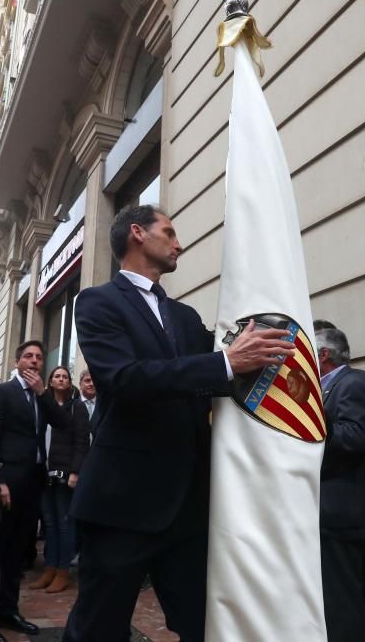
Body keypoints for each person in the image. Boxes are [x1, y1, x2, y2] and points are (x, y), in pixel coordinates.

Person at [62, 204, 295, 642]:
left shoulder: (185, 318)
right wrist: (224, 362)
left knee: (203, 625)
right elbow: (124, 378)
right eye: (168, 232)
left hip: (188, 506)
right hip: (122, 505)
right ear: (137, 233)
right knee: (98, 628)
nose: (179, 243)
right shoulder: (97, 302)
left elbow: (225, 372)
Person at [316, 327, 365, 642]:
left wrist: (308, 417)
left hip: (345, 515)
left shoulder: (356, 381)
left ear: (323, 354)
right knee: (347, 601)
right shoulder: (328, 386)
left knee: (347, 606)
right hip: (334, 515)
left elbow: (353, 439)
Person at [0, 341, 71, 642]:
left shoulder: (41, 397)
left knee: (16, 553)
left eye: (38, 357)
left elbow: (63, 423)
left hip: (33, 483)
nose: (35, 361)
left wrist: (43, 395)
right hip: (5, 484)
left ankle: (8, 611)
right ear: (17, 361)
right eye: (28, 356)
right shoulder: (2, 393)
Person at [29, 366, 90, 594]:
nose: (61, 379)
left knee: (65, 524)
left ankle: (63, 571)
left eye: (65, 376)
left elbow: (83, 441)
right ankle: (50, 569)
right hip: (45, 474)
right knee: (50, 523)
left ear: (69, 382)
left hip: (66, 475)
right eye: (57, 376)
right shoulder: (43, 408)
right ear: (50, 382)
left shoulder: (77, 407)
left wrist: (75, 472)